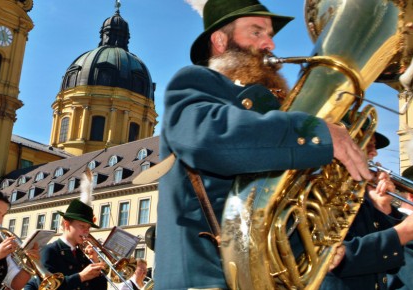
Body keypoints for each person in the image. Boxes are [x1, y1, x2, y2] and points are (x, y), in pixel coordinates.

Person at [157, 0, 379, 288]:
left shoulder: (272, 116)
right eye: (256, 32)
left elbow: (272, 210)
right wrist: (317, 133)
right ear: (220, 40)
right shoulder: (195, 81)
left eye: (270, 34)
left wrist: (315, 243)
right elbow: (207, 138)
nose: (269, 44)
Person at [322, 132, 413, 290]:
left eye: (374, 147)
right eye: (368, 144)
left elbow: (389, 266)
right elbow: (332, 258)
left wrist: (384, 208)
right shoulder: (322, 193)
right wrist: (405, 232)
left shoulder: (362, 199)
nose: (374, 153)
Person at [40, 198, 107, 290]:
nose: (86, 231)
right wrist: (81, 277)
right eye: (82, 226)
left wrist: (95, 261)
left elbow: (101, 288)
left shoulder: (83, 254)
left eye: (88, 227)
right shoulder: (50, 250)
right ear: (67, 224)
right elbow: (48, 287)